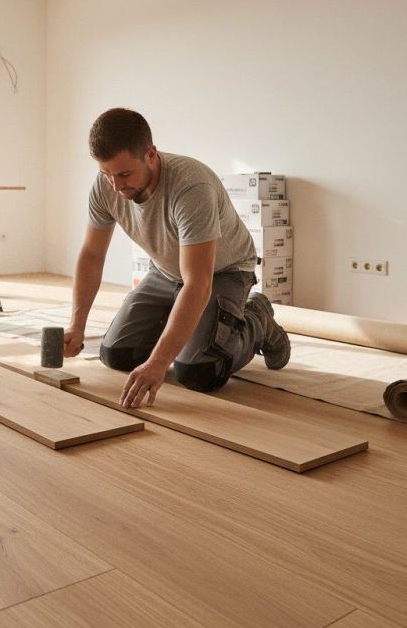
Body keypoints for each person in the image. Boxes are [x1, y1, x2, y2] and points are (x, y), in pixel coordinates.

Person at [63, 107, 290, 409]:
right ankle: (186, 329)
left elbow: (198, 282)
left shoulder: (191, 186)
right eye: (107, 175)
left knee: (198, 371)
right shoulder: (106, 186)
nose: (116, 186)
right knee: (117, 355)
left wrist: (158, 362)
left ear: (151, 155)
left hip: (223, 272)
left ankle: (257, 319)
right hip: (166, 273)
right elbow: (92, 255)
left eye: (124, 174)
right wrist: (76, 325)